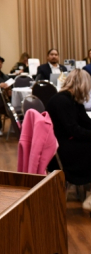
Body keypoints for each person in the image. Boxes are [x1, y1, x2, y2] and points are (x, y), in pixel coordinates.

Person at [46, 70, 91, 205]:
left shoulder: (73, 101)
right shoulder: (61, 101)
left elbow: (86, 123)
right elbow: (74, 130)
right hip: (60, 150)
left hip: (67, 143)